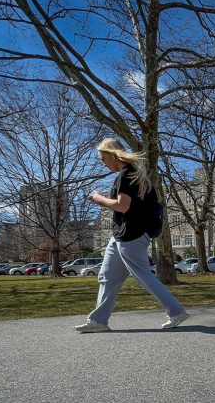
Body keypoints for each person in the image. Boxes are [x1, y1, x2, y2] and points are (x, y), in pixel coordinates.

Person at [74, 138, 190, 333]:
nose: (102, 163)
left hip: (132, 235)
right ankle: (99, 321)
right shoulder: (133, 175)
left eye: (103, 158)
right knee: (107, 277)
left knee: (144, 276)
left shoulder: (127, 176)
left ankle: (176, 311)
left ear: (112, 155)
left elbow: (122, 206)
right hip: (122, 235)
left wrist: (98, 198)